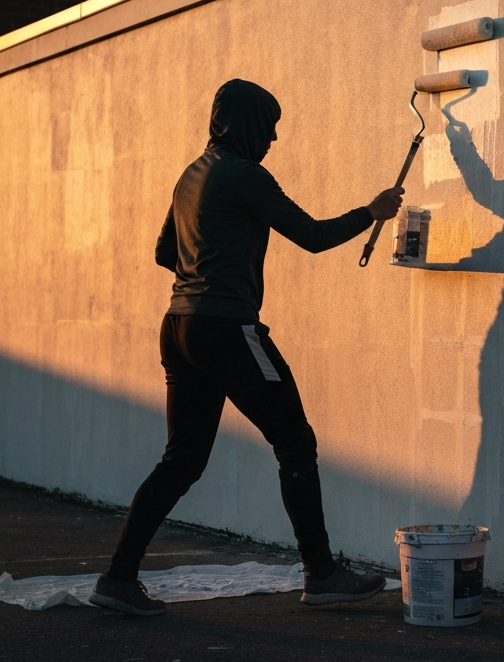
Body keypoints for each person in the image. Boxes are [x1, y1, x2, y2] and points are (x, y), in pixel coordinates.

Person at [90, 79, 403, 616]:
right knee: (296, 442)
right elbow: (311, 235)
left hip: (179, 326)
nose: (275, 138)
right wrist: (371, 212)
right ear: (249, 125)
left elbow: (166, 251)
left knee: (182, 459)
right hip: (228, 329)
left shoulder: (191, 175)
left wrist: (209, 266)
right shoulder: (245, 176)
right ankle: (322, 573)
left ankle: (117, 578)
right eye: (271, 126)